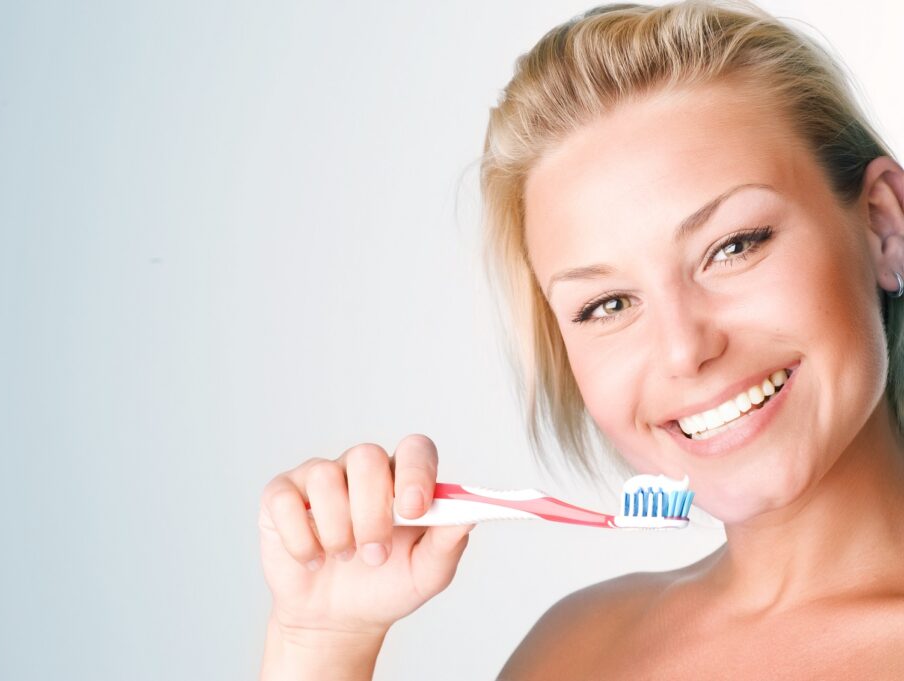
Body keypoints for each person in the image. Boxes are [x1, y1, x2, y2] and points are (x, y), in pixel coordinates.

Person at [258, 1, 904, 677]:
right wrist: (320, 640)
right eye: (608, 304)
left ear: (884, 225)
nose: (685, 349)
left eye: (734, 246)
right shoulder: (575, 651)